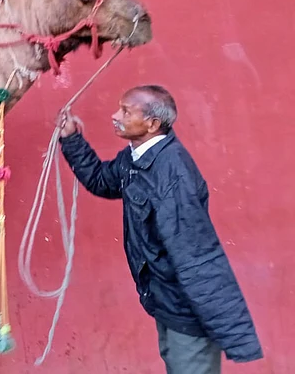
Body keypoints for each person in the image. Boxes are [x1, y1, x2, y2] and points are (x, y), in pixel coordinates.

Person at [58, 85, 262, 373]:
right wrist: (72, 140)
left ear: (153, 124)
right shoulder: (135, 158)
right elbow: (102, 181)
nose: (115, 115)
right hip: (165, 299)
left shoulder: (172, 172)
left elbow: (194, 255)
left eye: (126, 111)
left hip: (186, 308)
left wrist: (226, 326)